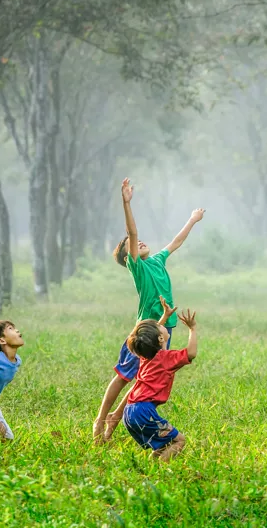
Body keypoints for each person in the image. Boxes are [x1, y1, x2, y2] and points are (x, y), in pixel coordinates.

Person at [93, 177, 205, 443]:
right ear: (127, 256)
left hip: (164, 329)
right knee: (123, 376)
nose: (139, 241)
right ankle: (100, 421)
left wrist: (192, 219)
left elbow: (176, 242)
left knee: (146, 378)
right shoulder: (138, 267)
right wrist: (126, 202)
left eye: (140, 241)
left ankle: (115, 421)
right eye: (131, 245)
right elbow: (132, 233)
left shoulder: (156, 260)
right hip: (145, 330)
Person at [123, 304, 198, 460]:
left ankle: (151, 468)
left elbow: (152, 336)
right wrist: (192, 329)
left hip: (129, 411)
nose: (161, 325)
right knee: (179, 441)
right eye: (160, 327)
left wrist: (164, 317)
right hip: (143, 412)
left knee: (164, 444)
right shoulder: (166, 359)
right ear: (160, 338)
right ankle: (159, 471)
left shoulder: (146, 356)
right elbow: (191, 353)